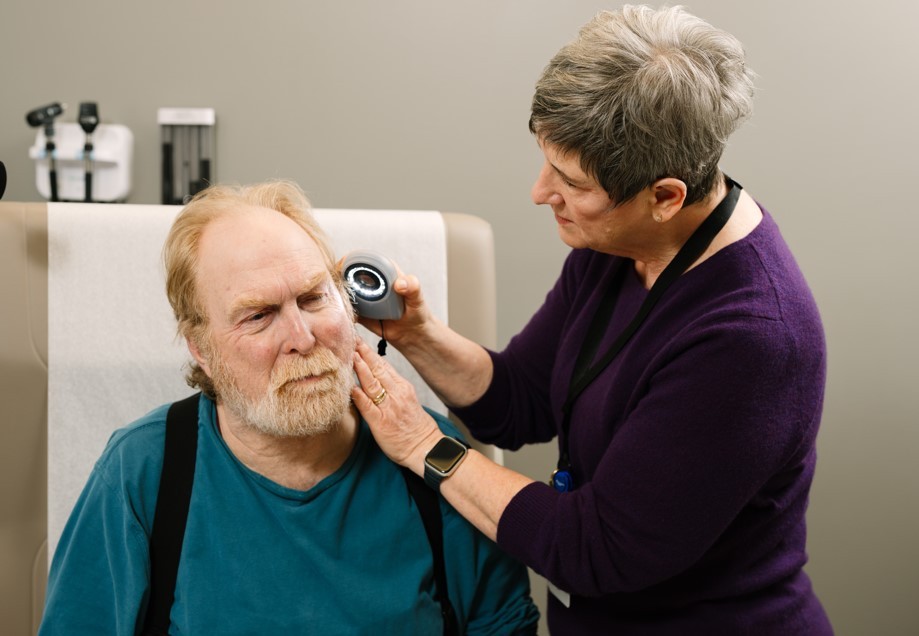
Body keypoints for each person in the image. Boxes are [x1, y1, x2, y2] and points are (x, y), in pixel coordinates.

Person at [349, 5, 832, 634]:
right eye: (547, 161)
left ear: (665, 197)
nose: (540, 192)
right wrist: (415, 334)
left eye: (571, 181)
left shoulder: (752, 339)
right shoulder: (622, 248)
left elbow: (594, 552)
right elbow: (517, 402)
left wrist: (423, 447)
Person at [38, 181, 539, 635]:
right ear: (201, 348)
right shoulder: (142, 472)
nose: (302, 338)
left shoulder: (430, 456)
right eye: (258, 316)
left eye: (314, 298)